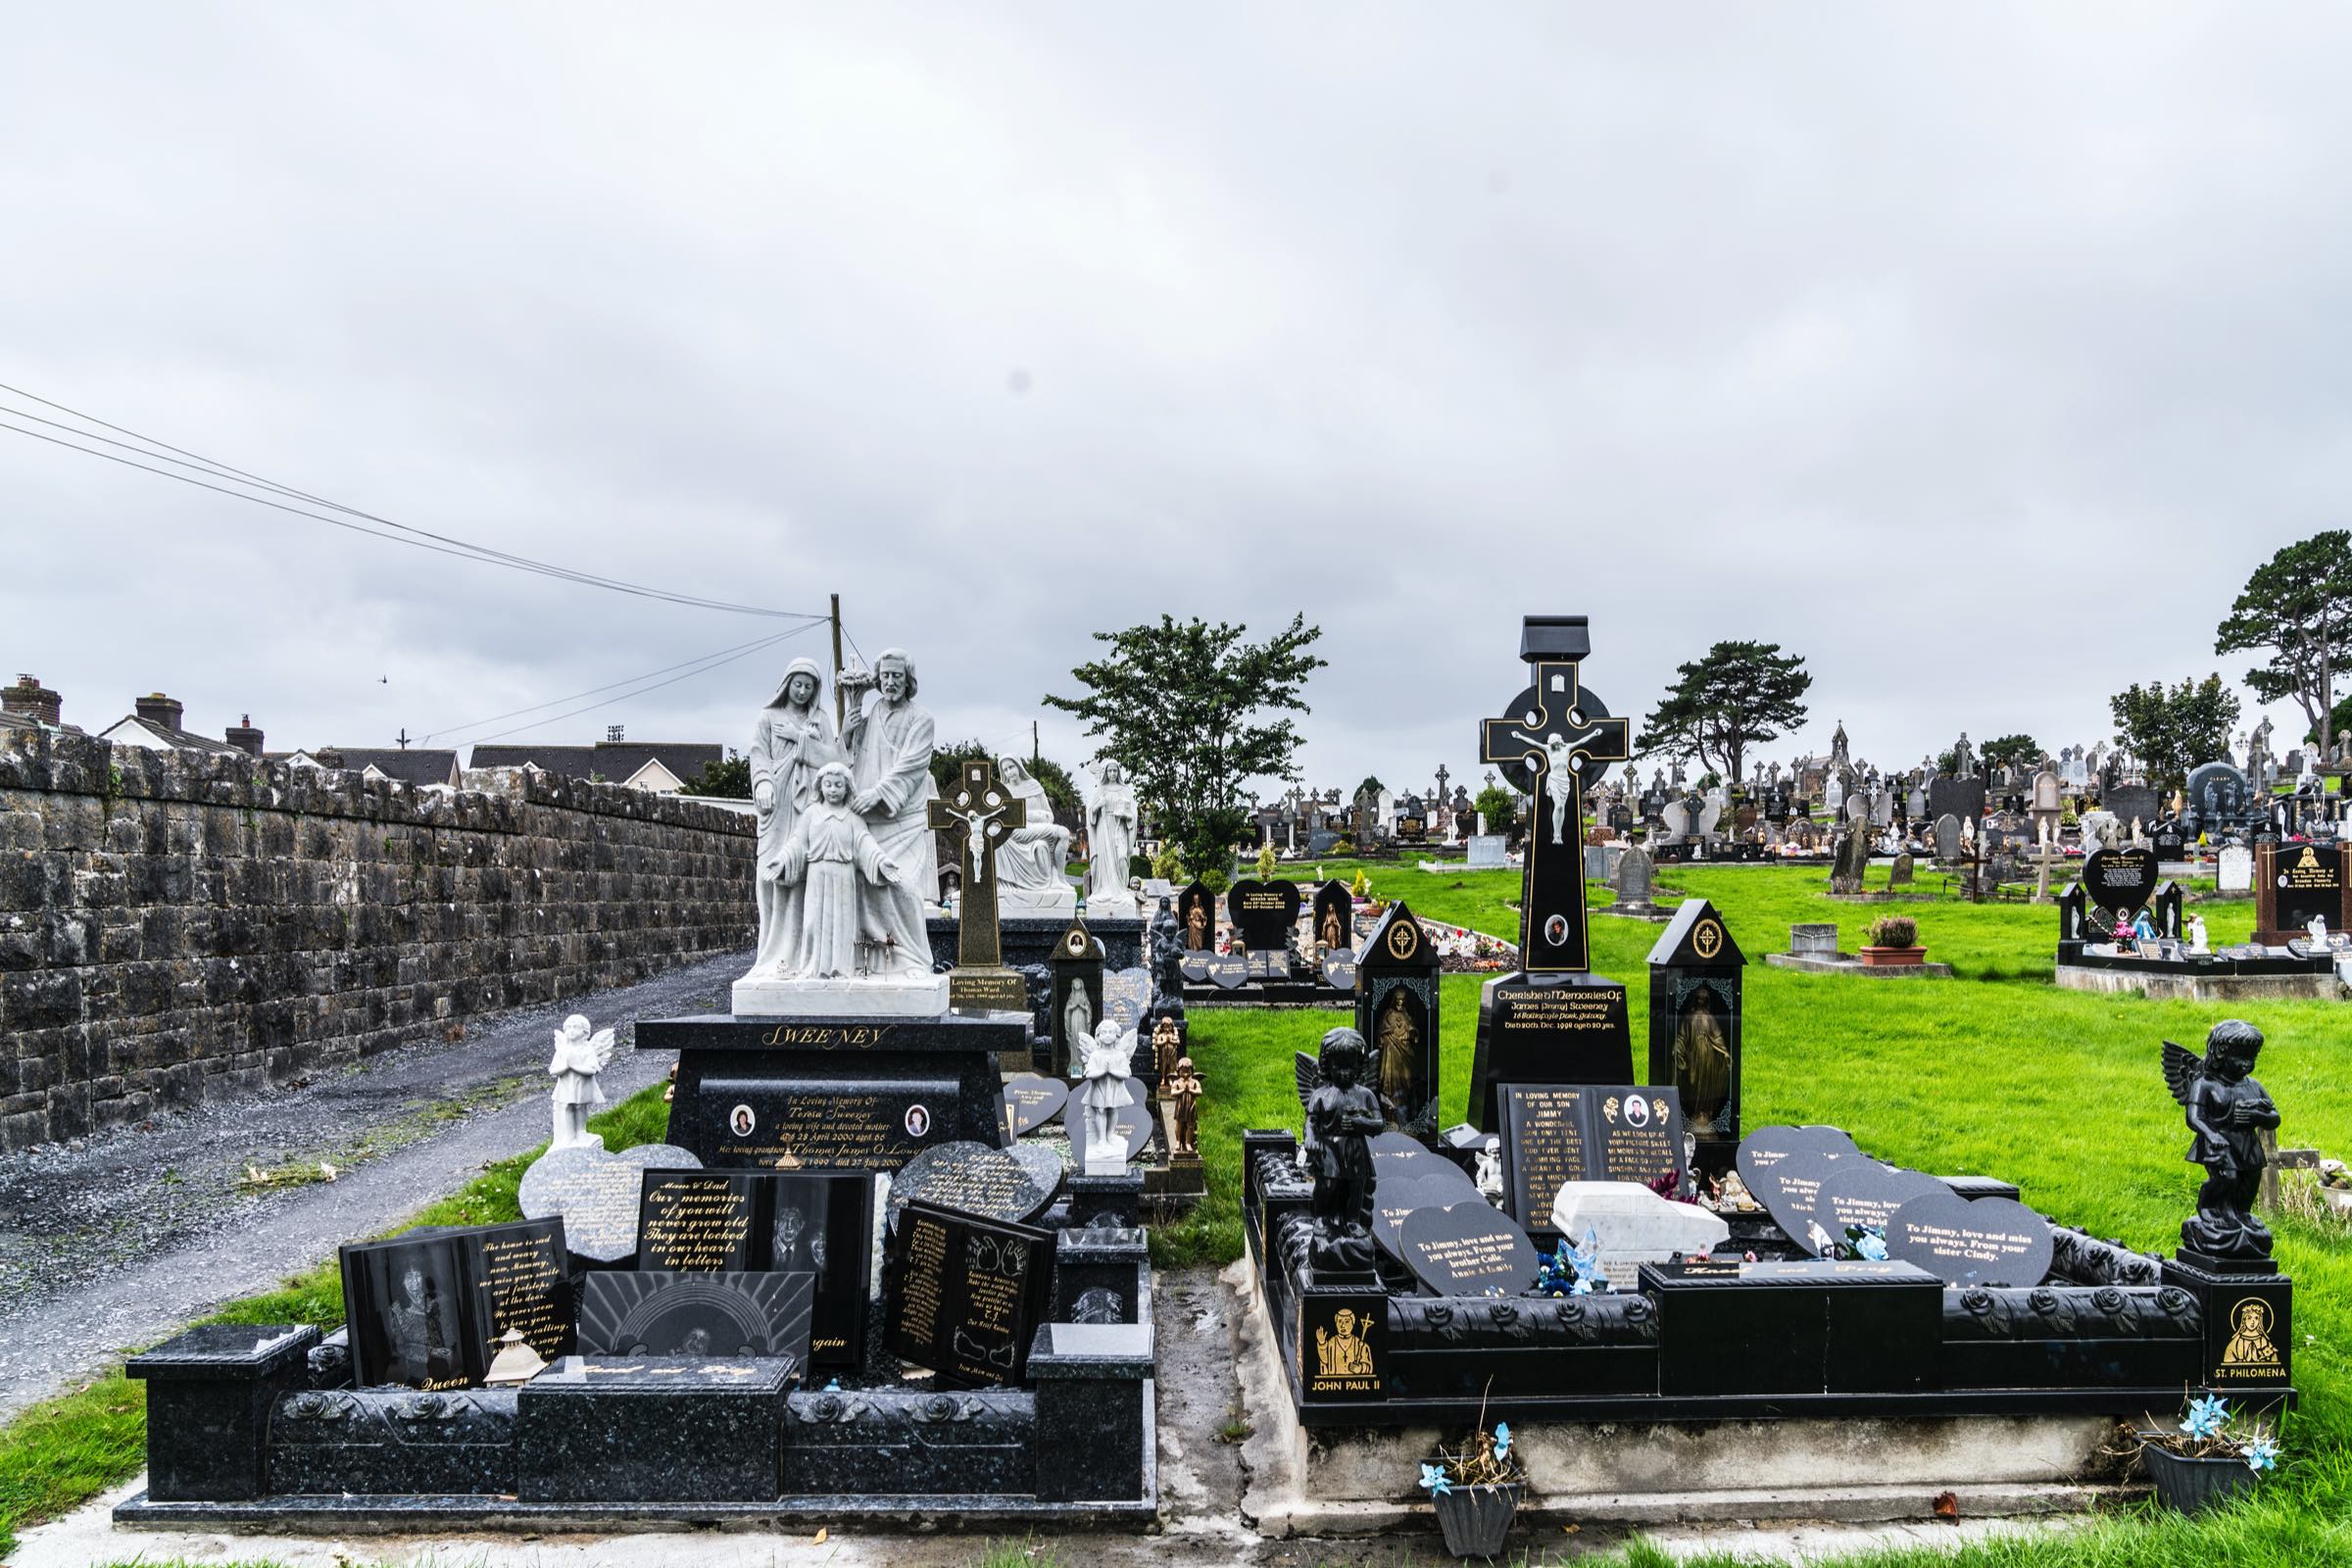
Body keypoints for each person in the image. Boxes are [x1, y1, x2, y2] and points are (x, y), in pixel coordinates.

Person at [839, 650, 936, 970]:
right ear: (878, 680)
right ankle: (872, 963)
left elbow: (911, 766)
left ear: (909, 680)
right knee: (863, 885)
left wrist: (878, 795)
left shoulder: (922, 720)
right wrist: (847, 733)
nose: (891, 682)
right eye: (885, 676)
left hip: (902, 820)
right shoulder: (872, 716)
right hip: (869, 822)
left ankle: (914, 960)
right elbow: (847, 763)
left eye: (897, 676)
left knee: (904, 887)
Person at [748, 658, 839, 976]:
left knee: (803, 874)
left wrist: (802, 739)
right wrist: (761, 783)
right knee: (769, 872)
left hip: (808, 807)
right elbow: (758, 754)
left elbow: (834, 760)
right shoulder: (768, 716)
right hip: (777, 801)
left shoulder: (821, 719)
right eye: (797, 684)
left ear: (815, 690)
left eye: (808, 686)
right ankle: (771, 951)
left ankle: (802, 953)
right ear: (786, 684)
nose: (801, 691)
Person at [772, 762, 904, 979]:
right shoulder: (811, 814)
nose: (833, 790)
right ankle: (813, 968)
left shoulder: (852, 817)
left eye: (838, 785)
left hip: (843, 877)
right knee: (813, 925)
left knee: (840, 926)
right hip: (817, 875)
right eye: (828, 784)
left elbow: (865, 842)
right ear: (820, 787)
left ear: (847, 788)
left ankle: (840, 969)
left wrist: (881, 861)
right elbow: (797, 842)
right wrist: (782, 861)